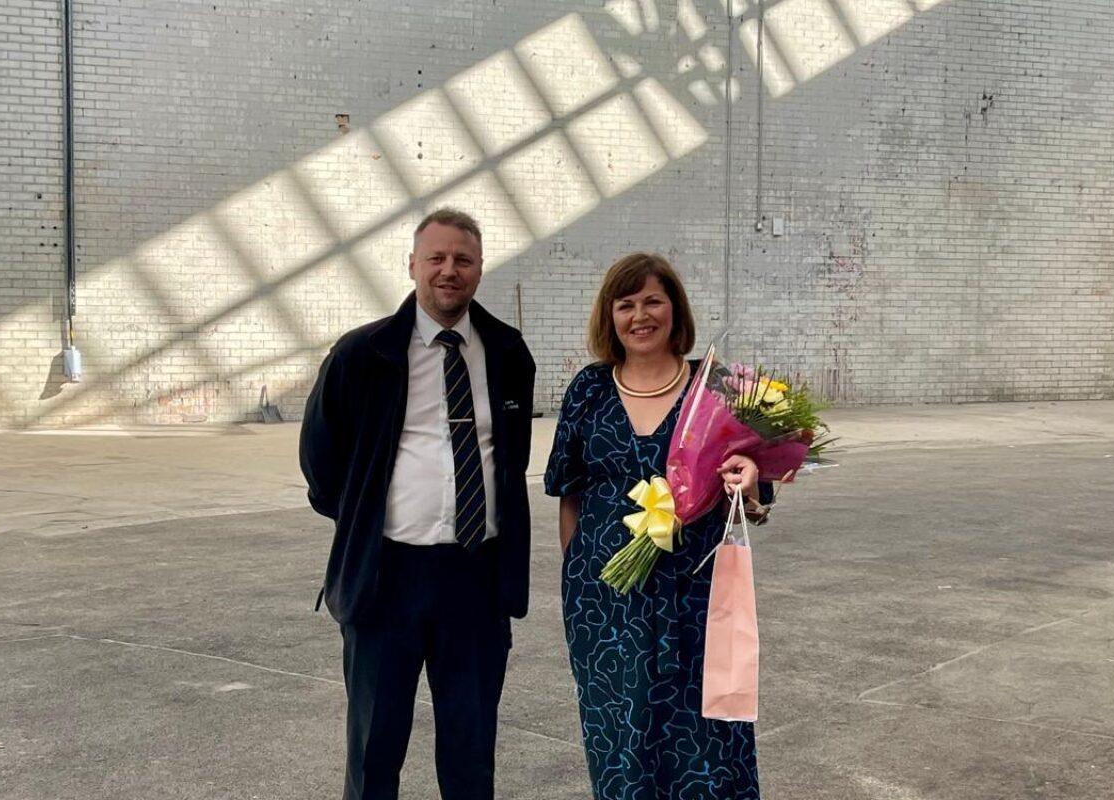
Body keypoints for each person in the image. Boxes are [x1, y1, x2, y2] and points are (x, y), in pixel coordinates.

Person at [300, 208, 535, 800]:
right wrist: (366, 521)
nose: (449, 271)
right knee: (374, 752)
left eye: (463, 259)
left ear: (480, 269)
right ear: (412, 265)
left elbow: (510, 459)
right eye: (436, 258)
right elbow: (321, 463)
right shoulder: (363, 353)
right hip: (387, 578)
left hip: (476, 581)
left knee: (470, 752)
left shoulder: (508, 352)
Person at [545, 252, 772, 800]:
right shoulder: (588, 389)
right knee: (620, 738)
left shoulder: (718, 388)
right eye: (626, 304)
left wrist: (754, 483)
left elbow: (755, 490)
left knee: (706, 740)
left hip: (696, 596)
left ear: (675, 309)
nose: (640, 315)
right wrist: (581, 576)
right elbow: (568, 492)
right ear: (610, 315)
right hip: (606, 604)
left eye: (653, 301)